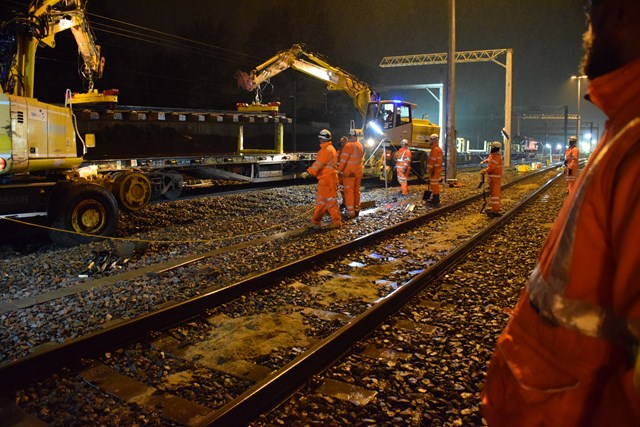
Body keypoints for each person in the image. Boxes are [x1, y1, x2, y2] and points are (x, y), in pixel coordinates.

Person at [481, 1, 640, 425]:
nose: (588, 27)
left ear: (624, 13)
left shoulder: (634, 144)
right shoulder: (622, 132)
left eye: (593, 11)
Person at [302, 129, 342, 229]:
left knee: (330, 201)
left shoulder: (325, 150)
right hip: (328, 179)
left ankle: (336, 222)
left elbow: (317, 165)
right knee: (321, 202)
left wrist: (308, 172)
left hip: (327, 179)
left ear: (321, 139)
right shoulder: (331, 148)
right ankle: (316, 222)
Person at [337, 129, 364, 219]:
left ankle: (350, 213)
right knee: (356, 191)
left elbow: (343, 160)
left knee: (349, 192)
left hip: (349, 173)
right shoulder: (360, 145)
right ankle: (357, 209)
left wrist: (339, 170)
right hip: (358, 172)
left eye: (349, 136)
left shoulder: (348, 146)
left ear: (351, 136)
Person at [480, 141, 503, 216]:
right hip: (492, 177)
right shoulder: (493, 155)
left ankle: (495, 210)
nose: (490, 148)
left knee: (495, 195)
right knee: (493, 194)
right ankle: (494, 208)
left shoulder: (496, 156)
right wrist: (485, 161)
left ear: (494, 148)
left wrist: (484, 171)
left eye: (491, 147)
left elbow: (492, 167)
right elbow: (490, 160)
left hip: (495, 178)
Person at [426, 133, 443, 206]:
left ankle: (435, 199)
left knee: (434, 184)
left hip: (434, 170)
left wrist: (429, 169)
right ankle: (435, 197)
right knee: (435, 184)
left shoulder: (435, 150)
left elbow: (432, 161)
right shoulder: (438, 149)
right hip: (437, 169)